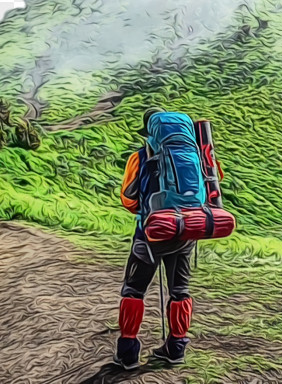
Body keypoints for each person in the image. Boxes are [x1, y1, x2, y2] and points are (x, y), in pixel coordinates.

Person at [113, 107, 200, 370]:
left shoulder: (140, 157)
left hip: (151, 233)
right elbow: (211, 186)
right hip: (187, 231)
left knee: (134, 290)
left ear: (150, 133)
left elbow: (128, 200)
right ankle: (176, 348)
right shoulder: (197, 155)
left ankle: (128, 353)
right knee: (180, 291)